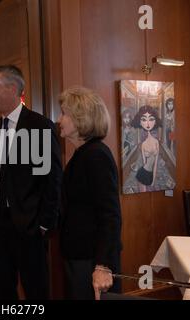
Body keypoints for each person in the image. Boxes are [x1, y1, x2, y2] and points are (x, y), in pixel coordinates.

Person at [0, 65, 62, 299]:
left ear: (13, 88)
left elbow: (53, 178)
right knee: (2, 288)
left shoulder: (40, 125)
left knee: (35, 289)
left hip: (30, 225)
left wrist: (45, 224)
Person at [57, 86, 122, 300]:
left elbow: (110, 215)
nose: (59, 120)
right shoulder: (82, 154)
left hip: (92, 260)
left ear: (80, 117)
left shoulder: (96, 156)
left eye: (64, 113)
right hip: (78, 255)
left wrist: (103, 265)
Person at [131, 105, 162, 193]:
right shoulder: (143, 144)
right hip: (142, 173)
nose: (148, 123)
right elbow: (144, 162)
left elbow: (155, 164)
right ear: (140, 122)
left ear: (155, 121)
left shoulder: (156, 142)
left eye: (151, 119)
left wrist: (153, 179)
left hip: (149, 173)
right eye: (144, 119)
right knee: (143, 193)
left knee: (150, 191)